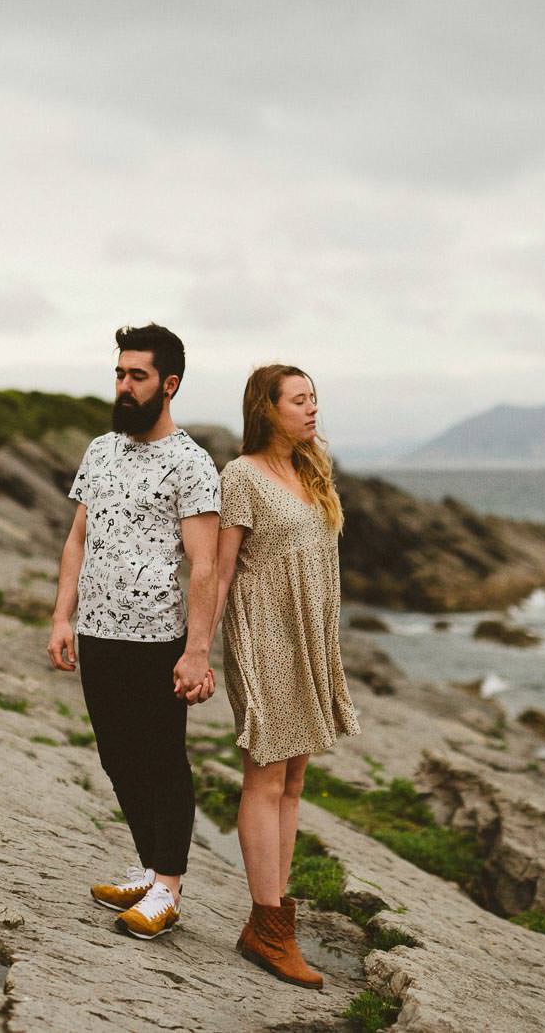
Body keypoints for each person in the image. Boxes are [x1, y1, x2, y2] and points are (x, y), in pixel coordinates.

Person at [47, 323, 220, 941]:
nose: (124, 385)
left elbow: (205, 564)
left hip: (157, 639)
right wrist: (63, 615)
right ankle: (149, 868)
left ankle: (168, 889)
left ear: (168, 385)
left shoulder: (193, 464)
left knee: (162, 759)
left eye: (137, 376)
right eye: (119, 374)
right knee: (117, 757)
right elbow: (77, 538)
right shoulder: (100, 450)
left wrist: (197, 651)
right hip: (96, 631)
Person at [213, 364, 360, 989]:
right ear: (267, 408)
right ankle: (269, 927)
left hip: (308, 638)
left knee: (294, 778)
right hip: (262, 637)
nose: (312, 409)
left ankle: (272, 922)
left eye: (315, 399)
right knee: (265, 775)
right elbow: (219, 572)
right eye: (299, 400)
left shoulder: (309, 471)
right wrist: (195, 651)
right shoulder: (241, 476)